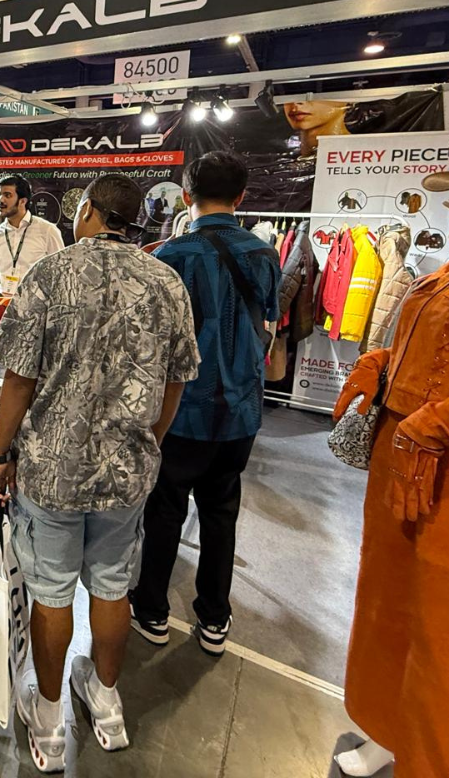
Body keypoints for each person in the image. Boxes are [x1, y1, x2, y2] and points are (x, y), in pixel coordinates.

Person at [0, 174, 199, 773]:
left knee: (52, 592)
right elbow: (176, 380)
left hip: (52, 471)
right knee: (111, 586)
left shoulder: (50, 275)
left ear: (87, 211)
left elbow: (18, 381)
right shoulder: (166, 282)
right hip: (126, 472)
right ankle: (106, 704)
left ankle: (50, 722)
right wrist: (149, 442)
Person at [329, 137, 449, 778]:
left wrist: (442, 421)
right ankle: (389, 733)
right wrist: (383, 363)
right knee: (392, 606)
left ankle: (439, 759)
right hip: (404, 465)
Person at [130, 151, 281, 656]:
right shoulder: (264, 254)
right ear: (241, 196)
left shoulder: (169, 255)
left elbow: (149, 340)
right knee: (221, 512)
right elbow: (269, 319)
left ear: (185, 195)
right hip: (240, 408)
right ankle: (214, 617)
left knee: (164, 509)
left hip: (181, 410)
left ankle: (151, 610)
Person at [283, 100, 351, 156]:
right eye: (287, 92)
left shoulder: (351, 158)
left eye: (315, 91)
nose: (296, 102)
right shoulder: (284, 159)